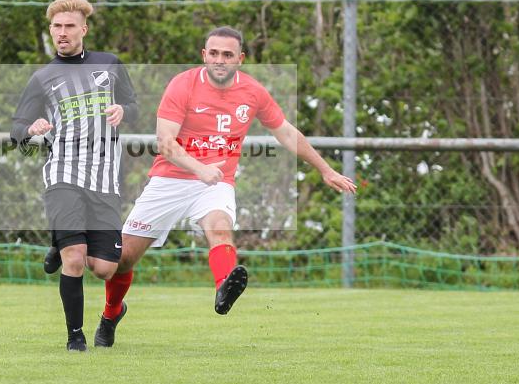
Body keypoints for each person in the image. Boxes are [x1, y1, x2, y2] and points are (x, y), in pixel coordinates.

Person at [93, 26, 356, 348]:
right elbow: (166, 143)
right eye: (214, 53)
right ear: (204, 55)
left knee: (219, 227)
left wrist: (326, 169)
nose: (220, 60)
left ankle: (224, 288)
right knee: (119, 262)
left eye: (228, 55)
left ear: (240, 59)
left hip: (215, 181)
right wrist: (199, 168)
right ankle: (111, 313)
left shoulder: (253, 92)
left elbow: (287, 133)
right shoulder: (182, 84)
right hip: (170, 180)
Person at [10, 0, 138, 352]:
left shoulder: (110, 65)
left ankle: (58, 240)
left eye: (69, 26)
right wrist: (30, 128)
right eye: (56, 27)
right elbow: (15, 129)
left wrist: (123, 111)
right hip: (63, 173)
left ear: (83, 28)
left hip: (104, 179)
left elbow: (136, 106)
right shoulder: (42, 78)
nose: (62, 33)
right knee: (75, 259)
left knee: (104, 269)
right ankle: (75, 337)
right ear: (50, 30)